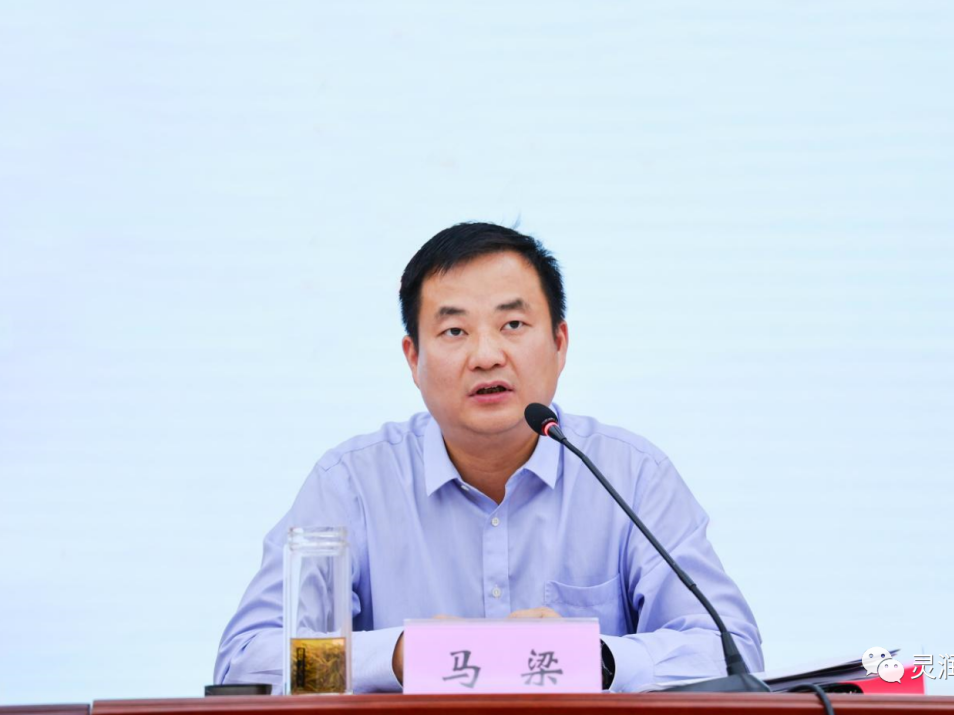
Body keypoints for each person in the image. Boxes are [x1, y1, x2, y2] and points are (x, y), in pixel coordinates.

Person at [214, 222, 764, 692]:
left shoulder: (631, 476)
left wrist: (598, 659)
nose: (485, 355)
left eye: (513, 325)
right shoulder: (352, 484)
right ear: (413, 358)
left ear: (560, 344)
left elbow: (733, 655)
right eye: (454, 330)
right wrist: (400, 655)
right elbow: (245, 664)